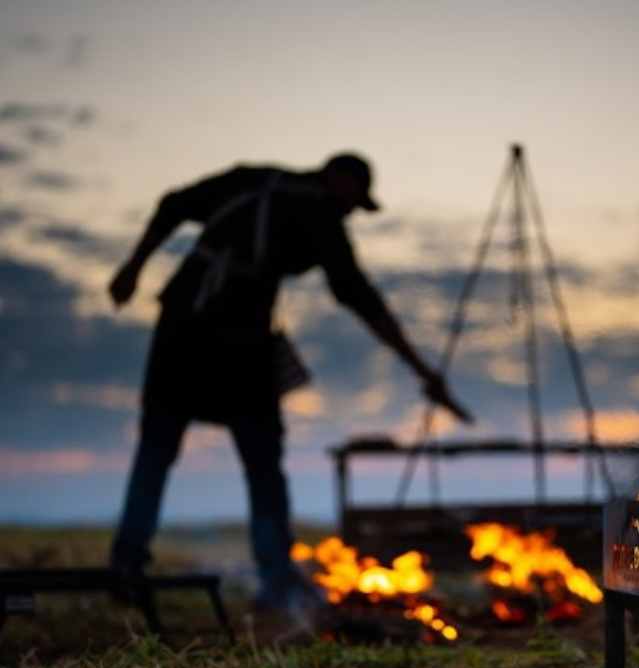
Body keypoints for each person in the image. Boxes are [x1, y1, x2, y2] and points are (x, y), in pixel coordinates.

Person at [107, 152, 472, 610]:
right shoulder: (316, 210)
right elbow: (357, 294)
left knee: (159, 450)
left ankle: (127, 563)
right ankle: (274, 577)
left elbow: (173, 204)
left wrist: (134, 267)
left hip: (183, 325)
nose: (351, 212)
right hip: (229, 337)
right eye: (355, 201)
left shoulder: (253, 180)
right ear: (340, 181)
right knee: (259, 462)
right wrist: (421, 370)